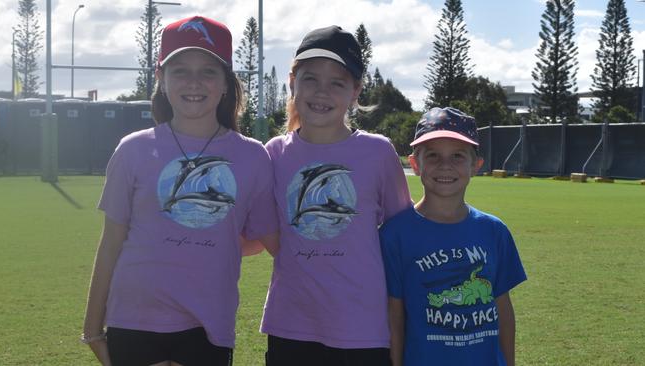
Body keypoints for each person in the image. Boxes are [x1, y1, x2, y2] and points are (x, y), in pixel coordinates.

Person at [82, 15, 278, 366]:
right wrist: (93, 330)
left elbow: (258, 239)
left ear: (225, 83)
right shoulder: (133, 149)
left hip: (209, 328)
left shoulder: (253, 156)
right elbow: (111, 242)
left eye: (208, 71)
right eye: (180, 70)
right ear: (160, 79)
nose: (194, 82)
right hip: (132, 324)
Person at [260, 25, 412, 366]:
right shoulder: (273, 154)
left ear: (356, 91)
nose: (321, 92)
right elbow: (271, 234)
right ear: (292, 83)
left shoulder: (378, 152)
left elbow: (401, 235)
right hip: (291, 325)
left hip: (363, 327)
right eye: (311, 78)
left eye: (337, 83)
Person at [379, 107, 527, 366]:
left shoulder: (494, 231)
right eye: (433, 155)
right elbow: (395, 316)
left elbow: (502, 308)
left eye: (458, 156)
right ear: (415, 164)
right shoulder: (394, 234)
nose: (444, 165)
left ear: (475, 166)